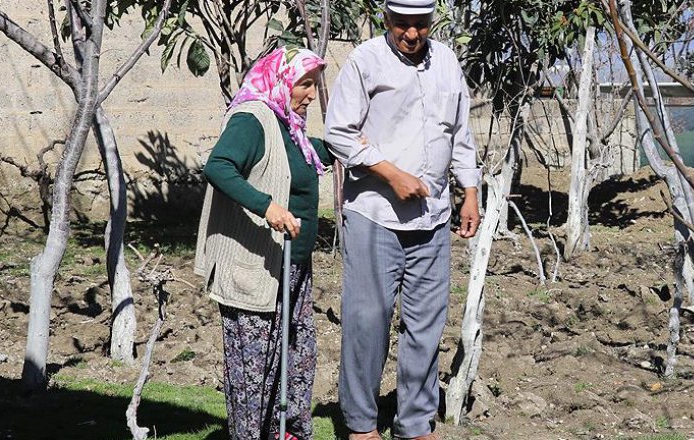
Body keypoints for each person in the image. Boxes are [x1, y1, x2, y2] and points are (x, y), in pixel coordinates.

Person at [323, 0, 482, 438]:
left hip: (433, 218)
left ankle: (414, 423)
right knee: (367, 320)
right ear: (386, 20)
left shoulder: (446, 60)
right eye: (403, 25)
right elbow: (337, 131)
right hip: (375, 214)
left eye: (421, 25)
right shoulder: (364, 61)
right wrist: (390, 173)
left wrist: (469, 191)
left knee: (426, 324)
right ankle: (360, 424)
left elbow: (460, 132)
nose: (412, 34)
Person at [194, 46, 331, 440]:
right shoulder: (252, 119)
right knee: (253, 369)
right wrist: (267, 206)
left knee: (296, 357)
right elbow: (218, 165)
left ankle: (286, 432)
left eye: (314, 85)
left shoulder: (289, 124)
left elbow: (300, 160)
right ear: (281, 79)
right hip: (254, 267)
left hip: (292, 264)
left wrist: (346, 147)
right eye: (304, 84)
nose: (309, 94)